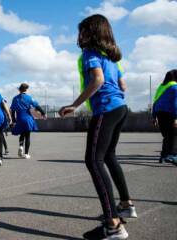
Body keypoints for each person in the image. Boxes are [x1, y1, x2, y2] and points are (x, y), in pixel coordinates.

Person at [58, 14, 136, 240]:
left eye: (82, 31)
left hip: (106, 109)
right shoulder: (111, 57)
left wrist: (75, 105)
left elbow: (98, 80)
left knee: (93, 160)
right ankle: (126, 204)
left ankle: (113, 225)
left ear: (92, 33)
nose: (79, 36)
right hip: (121, 108)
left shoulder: (90, 53)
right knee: (109, 156)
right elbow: (122, 84)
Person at [10, 83, 46, 159]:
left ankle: (20, 146)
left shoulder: (15, 98)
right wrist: (43, 113)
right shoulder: (29, 98)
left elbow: (12, 111)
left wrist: (13, 120)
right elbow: (37, 106)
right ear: (26, 89)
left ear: (19, 89)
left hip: (19, 118)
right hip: (27, 118)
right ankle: (26, 153)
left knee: (22, 134)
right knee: (27, 136)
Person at [152, 69, 177, 166]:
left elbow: (155, 101)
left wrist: (154, 117)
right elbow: (175, 104)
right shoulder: (175, 87)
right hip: (170, 113)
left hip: (159, 113)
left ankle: (163, 155)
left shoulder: (161, 87)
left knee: (166, 135)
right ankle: (173, 155)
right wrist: (176, 118)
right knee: (174, 134)